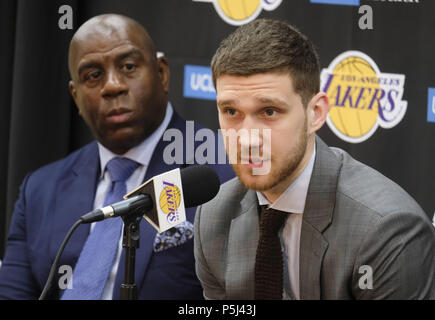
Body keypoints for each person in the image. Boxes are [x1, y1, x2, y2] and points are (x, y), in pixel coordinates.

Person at [194, 18, 435, 300]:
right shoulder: (213, 216)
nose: (246, 139)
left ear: (316, 113)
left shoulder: (385, 230)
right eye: (231, 112)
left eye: (269, 112)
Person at [0, 14, 234, 300]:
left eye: (128, 66)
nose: (112, 86)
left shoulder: (222, 173)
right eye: (93, 75)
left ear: (162, 74)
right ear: (76, 97)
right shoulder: (40, 190)